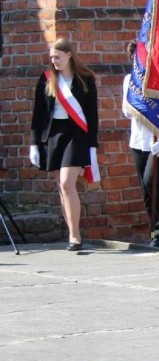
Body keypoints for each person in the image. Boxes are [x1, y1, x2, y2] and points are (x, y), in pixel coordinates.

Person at [30, 38, 98, 251]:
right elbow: (38, 114)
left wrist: (93, 145)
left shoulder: (85, 79)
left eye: (57, 57)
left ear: (69, 54)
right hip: (53, 135)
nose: (54, 61)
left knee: (68, 182)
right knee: (62, 186)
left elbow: (92, 115)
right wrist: (34, 143)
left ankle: (75, 236)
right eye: (51, 57)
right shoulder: (47, 79)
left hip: (76, 135)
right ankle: (71, 233)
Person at [122, 42, 159, 248]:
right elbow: (126, 111)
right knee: (146, 189)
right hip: (138, 139)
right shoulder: (130, 80)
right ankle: (155, 230)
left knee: (150, 181)